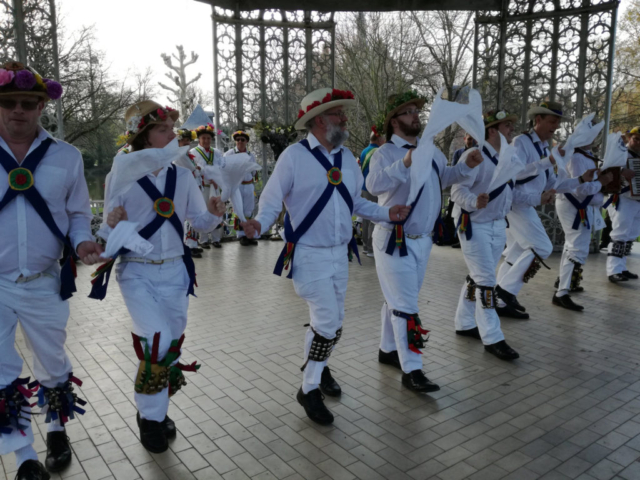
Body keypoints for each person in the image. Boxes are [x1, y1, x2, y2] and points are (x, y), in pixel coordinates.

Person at [242, 88, 410, 425]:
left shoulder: (348, 159)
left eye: (344, 114)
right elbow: (273, 199)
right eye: (338, 114)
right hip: (307, 254)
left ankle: (318, 371)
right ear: (319, 120)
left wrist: (386, 213)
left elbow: (355, 203)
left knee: (332, 323)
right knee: (328, 321)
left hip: (340, 255)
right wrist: (257, 224)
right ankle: (309, 389)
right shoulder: (293, 156)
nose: (345, 119)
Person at [97, 100, 226, 454]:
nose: (173, 135)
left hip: (176, 271)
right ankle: (151, 419)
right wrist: (111, 222)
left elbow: (197, 222)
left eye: (172, 128)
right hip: (136, 272)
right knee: (156, 340)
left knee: (170, 345)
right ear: (143, 136)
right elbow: (109, 233)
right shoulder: (120, 174)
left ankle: (157, 409)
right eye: (163, 129)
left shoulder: (182, 174)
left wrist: (213, 215)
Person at [0, 61, 103, 479]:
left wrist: (82, 242)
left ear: (43, 105)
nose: (17, 111)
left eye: (28, 103)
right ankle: (23, 456)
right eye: (8, 103)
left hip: (44, 280)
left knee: (52, 362)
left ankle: (57, 426)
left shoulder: (66, 156)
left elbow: (78, 213)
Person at [366, 91, 483, 390]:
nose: (415, 116)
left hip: (422, 241)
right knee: (405, 304)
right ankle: (412, 370)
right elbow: (372, 184)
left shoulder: (430, 148)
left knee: (396, 299)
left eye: (416, 111)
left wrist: (467, 165)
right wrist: (404, 162)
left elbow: (444, 177)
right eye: (407, 112)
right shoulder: (385, 154)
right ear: (394, 121)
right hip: (395, 240)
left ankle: (387, 350)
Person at [495, 100, 596, 320]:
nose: (556, 127)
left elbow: (554, 184)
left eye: (558, 122)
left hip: (525, 203)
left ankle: (500, 301)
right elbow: (515, 174)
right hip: (516, 203)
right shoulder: (521, 143)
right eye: (552, 121)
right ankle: (505, 291)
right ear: (538, 120)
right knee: (542, 246)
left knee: (514, 253)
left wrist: (579, 179)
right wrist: (547, 161)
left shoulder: (543, 147)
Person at [452, 110, 522, 360]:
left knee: (478, 276)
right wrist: (473, 200)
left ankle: (463, 322)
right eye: (506, 126)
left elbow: (511, 194)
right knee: (486, 282)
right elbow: (456, 191)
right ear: (492, 130)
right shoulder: (475, 156)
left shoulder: (508, 159)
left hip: (495, 225)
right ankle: (493, 337)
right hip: (473, 224)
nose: (510, 130)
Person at [552, 141, 613, 310]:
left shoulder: (586, 156)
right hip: (574, 206)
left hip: (581, 207)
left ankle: (564, 285)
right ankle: (562, 292)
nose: (595, 140)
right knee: (576, 247)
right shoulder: (577, 157)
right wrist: (601, 182)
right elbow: (580, 189)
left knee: (572, 247)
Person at [605, 127, 640, 283]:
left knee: (630, 235)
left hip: (637, 201)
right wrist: (621, 171)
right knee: (620, 235)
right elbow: (605, 168)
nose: (638, 143)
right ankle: (613, 270)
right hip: (623, 198)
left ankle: (622, 268)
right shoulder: (620, 152)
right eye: (636, 139)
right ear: (630, 138)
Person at [191, 124, 224, 248]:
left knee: (217, 210)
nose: (206, 141)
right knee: (203, 211)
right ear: (199, 139)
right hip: (202, 186)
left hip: (215, 186)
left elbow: (222, 168)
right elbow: (193, 170)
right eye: (203, 138)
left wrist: (218, 179)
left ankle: (216, 238)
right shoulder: (193, 152)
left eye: (208, 138)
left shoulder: (217, 152)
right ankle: (203, 239)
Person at [224, 130, 259, 246]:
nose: (240, 142)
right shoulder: (230, 154)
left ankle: (249, 234)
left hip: (248, 185)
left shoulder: (250, 155)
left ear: (246, 142)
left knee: (249, 210)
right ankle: (240, 235)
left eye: (242, 140)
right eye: (238, 140)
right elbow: (225, 168)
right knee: (239, 210)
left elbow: (254, 171)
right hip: (237, 186)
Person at [175, 128, 203, 257]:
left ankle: (193, 243)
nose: (186, 143)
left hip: (193, 185)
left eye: (188, 140)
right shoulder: (180, 155)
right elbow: (194, 169)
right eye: (183, 140)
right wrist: (196, 168)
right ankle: (189, 245)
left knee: (193, 214)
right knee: (189, 216)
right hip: (185, 187)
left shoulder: (186, 154)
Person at [360, 127, 385, 257]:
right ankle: (370, 248)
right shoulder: (377, 151)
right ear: (379, 138)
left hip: (364, 188)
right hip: (372, 189)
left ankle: (365, 245)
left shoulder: (365, 150)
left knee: (365, 218)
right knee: (372, 217)